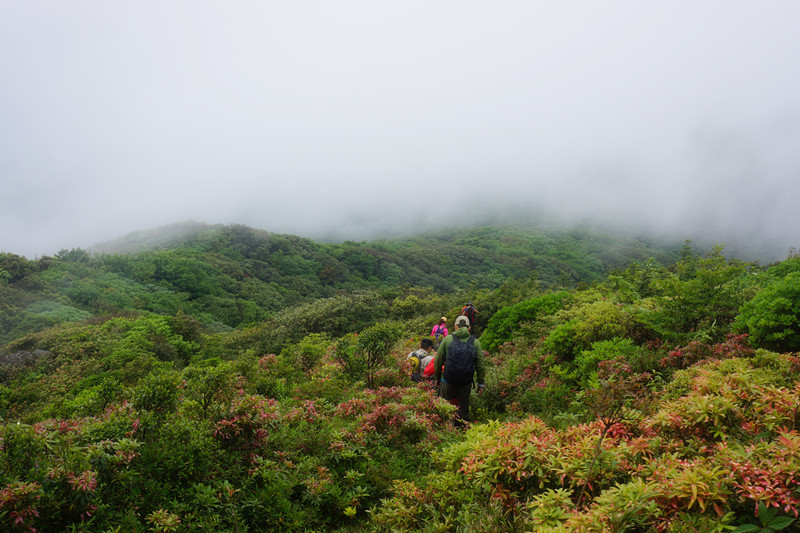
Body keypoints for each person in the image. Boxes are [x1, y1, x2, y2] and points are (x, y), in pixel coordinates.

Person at [435, 315, 486, 423]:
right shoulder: (475, 342)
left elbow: (438, 360)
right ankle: (463, 430)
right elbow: (480, 364)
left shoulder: (448, 339)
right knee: (464, 409)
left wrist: (438, 378)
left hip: (448, 379)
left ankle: (445, 428)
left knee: (445, 406)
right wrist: (480, 383)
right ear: (469, 328)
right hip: (465, 381)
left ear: (455, 327)